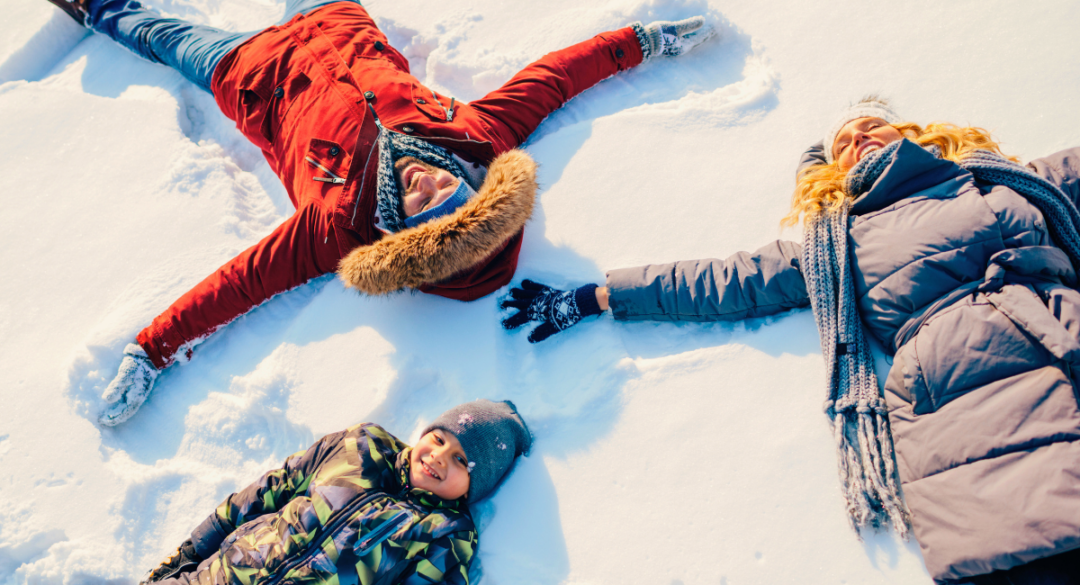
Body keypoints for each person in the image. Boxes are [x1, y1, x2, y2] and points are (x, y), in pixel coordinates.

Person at [45, 0, 715, 426]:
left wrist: (151, 348)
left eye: (421, 202)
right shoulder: (478, 138)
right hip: (336, 19)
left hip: (249, 72)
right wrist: (644, 41)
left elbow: (239, 283)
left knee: (153, 32)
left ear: (402, 231)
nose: (426, 181)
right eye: (448, 187)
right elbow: (558, 76)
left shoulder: (337, 228)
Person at [501, 97, 1080, 584]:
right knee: (1019, 551)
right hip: (952, 406)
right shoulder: (837, 243)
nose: (860, 137)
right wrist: (596, 297)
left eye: (872, 124)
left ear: (909, 133)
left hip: (1059, 331)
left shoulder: (1004, 178)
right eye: (845, 140)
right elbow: (725, 282)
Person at [139, 399, 531, 585]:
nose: (440, 457)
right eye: (440, 438)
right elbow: (269, 491)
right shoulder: (362, 447)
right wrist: (192, 551)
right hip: (219, 576)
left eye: (462, 460)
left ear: (474, 487)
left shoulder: (445, 533)